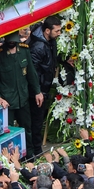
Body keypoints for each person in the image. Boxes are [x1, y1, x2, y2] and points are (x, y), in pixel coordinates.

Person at [0, 32, 43, 155]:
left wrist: (37, 91)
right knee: (8, 131)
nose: (12, 43)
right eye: (10, 41)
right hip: (7, 101)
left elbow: (31, 73)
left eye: (14, 41)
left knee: (27, 128)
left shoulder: (24, 51)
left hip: (23, 98)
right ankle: (10, 160)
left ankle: (30, 155)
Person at [29, 16, 62, 155]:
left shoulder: (50, 42)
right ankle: (36, 151)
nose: (59, 33)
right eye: (57, 31)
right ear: (47, 30)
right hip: (38, 89)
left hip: (45, 85)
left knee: (39, 119)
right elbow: (33, 71)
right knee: (36, 120)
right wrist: (38, 91)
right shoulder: (38, 47)